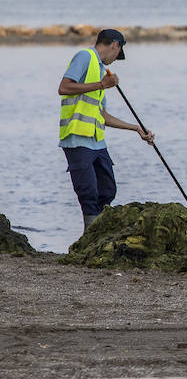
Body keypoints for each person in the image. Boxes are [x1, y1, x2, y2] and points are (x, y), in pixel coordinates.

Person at [57, 29, 157, 230]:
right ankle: (90, 238)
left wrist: (136, 128)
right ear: (115, 45)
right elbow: (64, 87)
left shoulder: (101, 71)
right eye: (117, 55)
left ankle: (99, 233)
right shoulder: (85, 56)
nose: (114, 60)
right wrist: (102, 84)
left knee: (107, 189)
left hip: (96, 141)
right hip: (76, 137)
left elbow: (102, 115)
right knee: (89, 192)